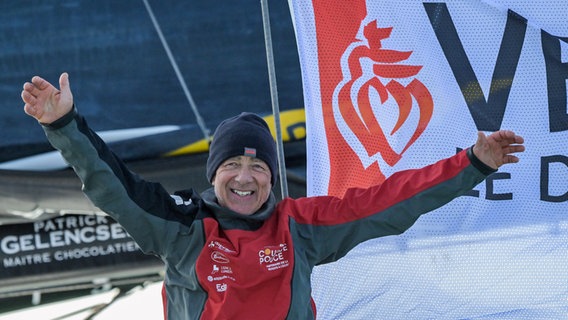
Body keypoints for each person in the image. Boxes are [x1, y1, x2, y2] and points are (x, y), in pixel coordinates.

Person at [21, 73, 524, 320]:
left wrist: (472, 164)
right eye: (233, 165)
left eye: (258, 166)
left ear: (272, 179)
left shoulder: (299, 226)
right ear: (214, 174)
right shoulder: (183, 230)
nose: (245, 176)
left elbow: (388, 202)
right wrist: (64, 124)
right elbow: (113, 186)